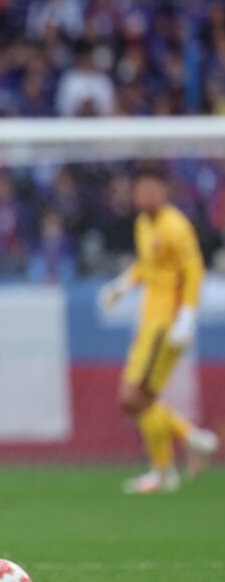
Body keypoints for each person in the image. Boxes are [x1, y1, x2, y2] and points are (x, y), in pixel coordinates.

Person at [101, 164, 217, 494]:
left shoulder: (176, 226)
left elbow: (193, 270)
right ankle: (167, 468)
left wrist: (187, 315)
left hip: (166, 323)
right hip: (149, 319)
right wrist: (124, 284)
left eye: (153, 190)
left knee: (131, 398)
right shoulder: (143, 223)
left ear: (164, 192)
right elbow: (148, 265)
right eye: (141, 190)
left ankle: (190, 440)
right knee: (143, 400)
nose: (147, 196)